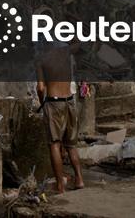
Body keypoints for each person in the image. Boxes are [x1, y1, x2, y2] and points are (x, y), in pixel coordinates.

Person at [36, 43, 84, 193]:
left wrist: (41, 101)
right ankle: (79, 179)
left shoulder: (40, 59)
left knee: (55, 144)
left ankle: (60, 185)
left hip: (53, 102)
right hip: (69, 101)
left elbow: (40, 88)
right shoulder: (66, 53)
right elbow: (80, 44)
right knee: (71, 145)